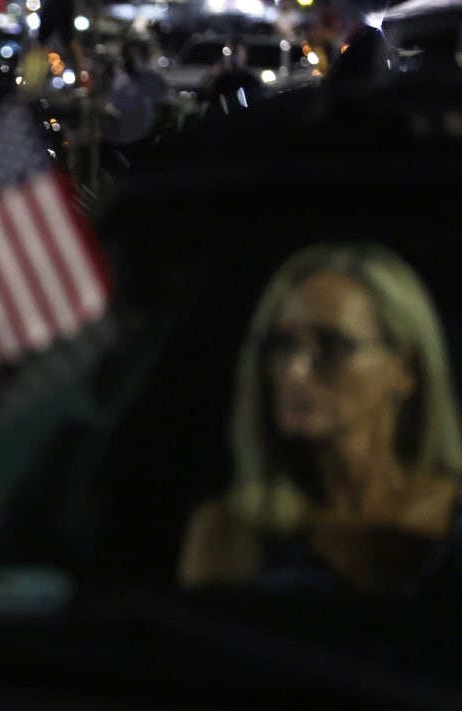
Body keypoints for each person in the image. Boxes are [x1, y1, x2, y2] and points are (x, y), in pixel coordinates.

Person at [179, 243, 462, 597]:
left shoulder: (450, 514)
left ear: (407, 369)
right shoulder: (230, 531)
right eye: (282, 345)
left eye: (331, 346)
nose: (294, 372)